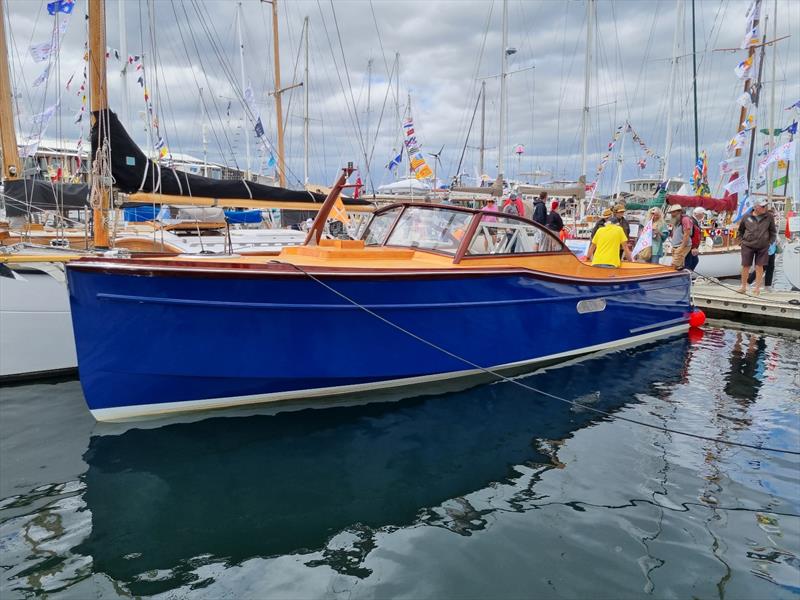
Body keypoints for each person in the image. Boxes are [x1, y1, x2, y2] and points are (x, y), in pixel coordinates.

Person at [738, 199, 777, 294]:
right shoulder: (746, 217)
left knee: (760, 267)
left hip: (763, 245)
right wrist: (741, 241)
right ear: (756, 207)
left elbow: (773, 231)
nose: (765, 208)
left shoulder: (769, 217)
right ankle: (743, 287)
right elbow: (740, 230)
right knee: (745, 266)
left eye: (765, 206)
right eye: (763, 206)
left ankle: (757, 288)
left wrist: (770, 242)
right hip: (747, 245)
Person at [668, 204, 693, 270]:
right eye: (671, 212)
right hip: (676, 246)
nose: (672, 214)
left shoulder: (685, 219)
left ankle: (671, 279)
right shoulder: (677, 220)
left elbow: (686, 234)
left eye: (673, 212)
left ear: (679, 212)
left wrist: (681, 247)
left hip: (682, 246)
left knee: (674, 266)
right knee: (679, 266)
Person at [684, 207, 705, 271]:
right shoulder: (692, 222)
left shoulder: (694, 221)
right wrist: (693, 247)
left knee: (694, 261)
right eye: (702, 214)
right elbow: (689, 235)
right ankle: (686, 276)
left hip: (692, 247)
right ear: (697, 214)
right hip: (690, 247)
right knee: (689, 263)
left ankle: (688, 275)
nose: (703, 215)